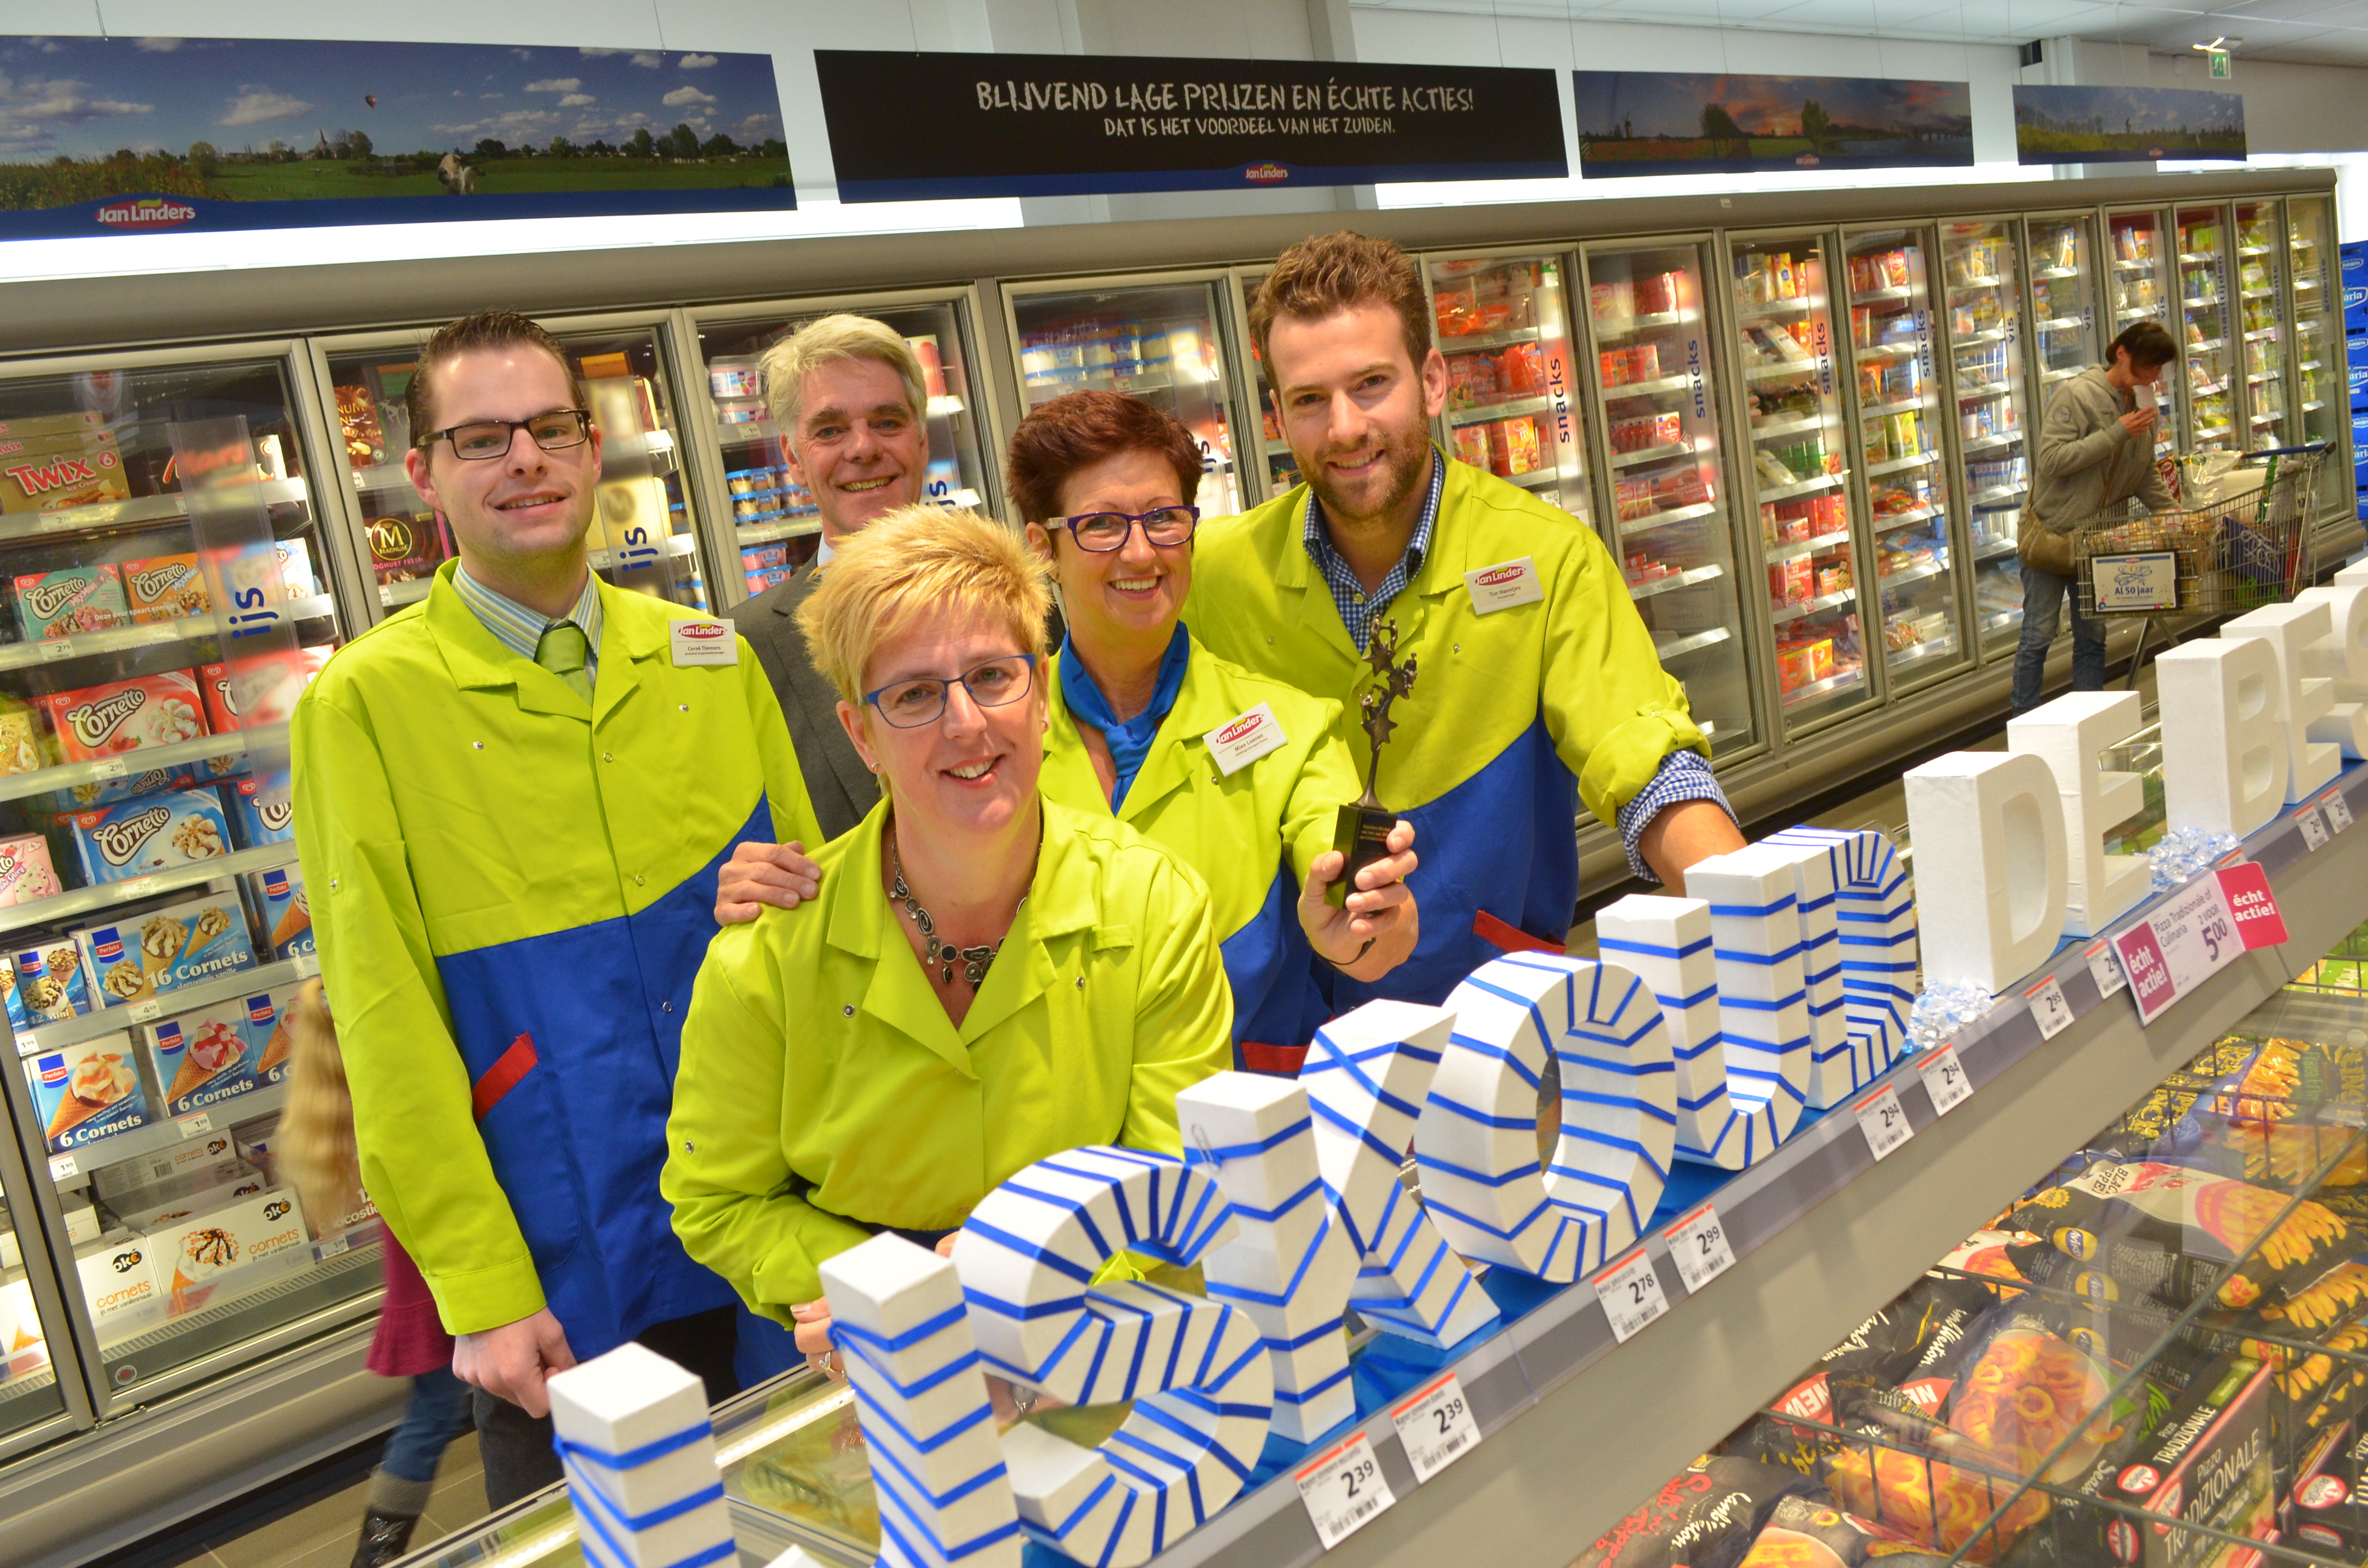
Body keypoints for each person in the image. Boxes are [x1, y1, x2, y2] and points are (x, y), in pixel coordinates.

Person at [290, 309, 823, 1510]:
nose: (523, 459)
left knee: (817, 1517)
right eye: (481, 438)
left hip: (766, 1229)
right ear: (423, 472)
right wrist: (476, 1287)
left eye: (548, 428)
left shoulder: (708, 659)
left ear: (593, 451)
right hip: (559, 1276)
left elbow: (817, 921)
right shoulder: (365, 707)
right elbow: (384, 1020)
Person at [664, 504, 1231, 1363]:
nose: (964, 723)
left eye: (992, 676)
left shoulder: (1151, 905)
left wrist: (1036, 1274)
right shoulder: (767, 955)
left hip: (1106, 1332)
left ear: (1041, 694)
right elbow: (718, 1199)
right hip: (863, 1357)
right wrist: (879, 1283)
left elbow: (1178, 1172)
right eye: (915, 694)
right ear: (861, 735)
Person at [1185, 231, 1747, 1007]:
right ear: (1275, 416)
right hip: (1303, 1041)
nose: (1344, 426)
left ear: (1433, 380)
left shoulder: (1546, 558)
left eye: (1371, 383)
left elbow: (1643, 755)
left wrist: (1759, 916)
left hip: (1498, 1018)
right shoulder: (1210, 576)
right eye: (1310, 399)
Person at [1010, 389, 1418, 1072]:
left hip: (1249, 1128)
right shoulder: (993, 743)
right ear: (1042, 546)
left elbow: (1358, 910)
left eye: (1165, 519)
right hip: (1068, 1145)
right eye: (1104, 525)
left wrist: (1365, 923)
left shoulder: (1291, 726)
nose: (1142, 554)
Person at [279, 979, 472, 1568]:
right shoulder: (405, 1092)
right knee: (458, 1410)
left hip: (426, 1283)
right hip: (457, 1276)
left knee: (433, 1412)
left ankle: (376, 1555)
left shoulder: (357, 1095)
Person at [725, 315, 932, 862]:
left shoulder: (1019, 604)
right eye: (830, 430)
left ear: (921, 439)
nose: (862, 449)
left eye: (887, 422)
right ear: (793, 459)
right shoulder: (743, 646)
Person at [2012, 319, 2179, 715]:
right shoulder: (2077, 396)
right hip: (2053, 533)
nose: (2154, 377)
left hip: (2099, 539)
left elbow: (2143, 470)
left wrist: (2175, 515)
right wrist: (2116, 433)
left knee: (2093, 634)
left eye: (2159, 370)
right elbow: (2051, 462)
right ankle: (2023, 719)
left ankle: (2090, 718)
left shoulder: (2141, 402)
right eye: (2149, 367)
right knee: (2038, 633)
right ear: (2122, 353)